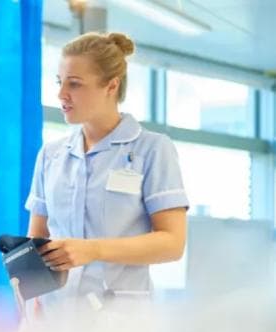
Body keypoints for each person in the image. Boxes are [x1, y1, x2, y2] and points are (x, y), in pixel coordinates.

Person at [26, 32, 188, 311]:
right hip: (55, 318)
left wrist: (93, 250)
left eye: (74, 84)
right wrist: (31, 304)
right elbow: (36, 241)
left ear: (111, 86)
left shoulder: (152, 150)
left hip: (120, 321)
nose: (61, 94)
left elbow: (172, 243)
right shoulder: (50, 155)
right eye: (59, 81)